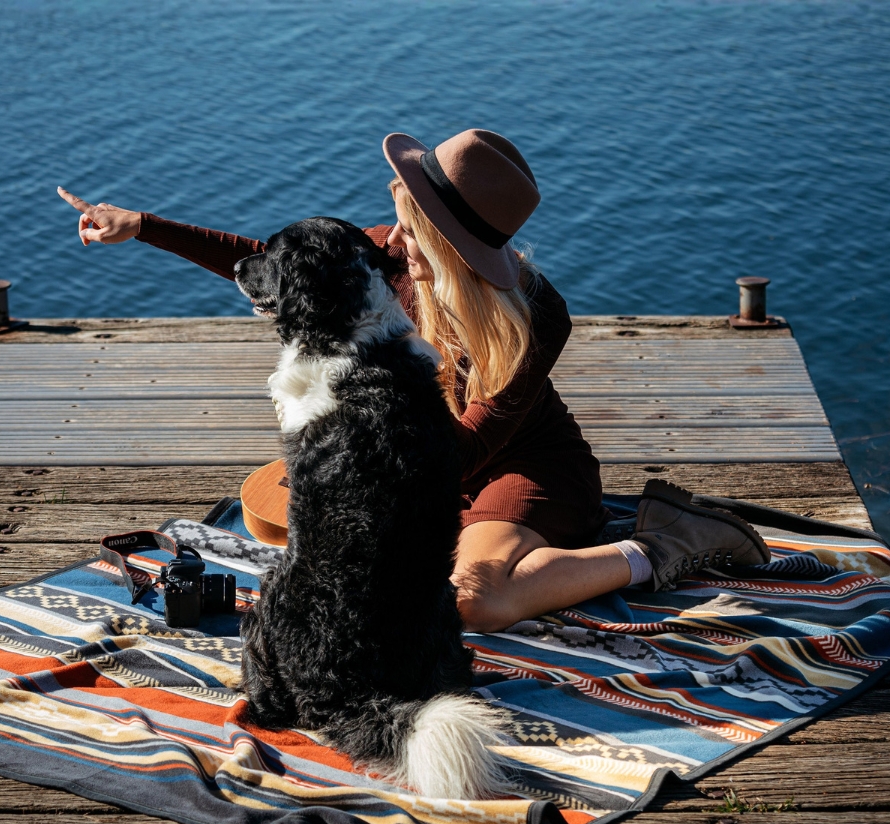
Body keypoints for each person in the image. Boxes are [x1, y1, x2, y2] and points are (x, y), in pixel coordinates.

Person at [58, 129, 767, 632]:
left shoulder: (536, 317)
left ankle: (664, 542)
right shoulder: (395, 256)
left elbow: (461, 453)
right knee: (320, 544)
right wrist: (143, 226)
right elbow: (281, 262)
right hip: (412, 452)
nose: (388, 243)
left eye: (408, 232)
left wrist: (358, 490)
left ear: (455, 250)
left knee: (472, 604)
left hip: (512, 468)